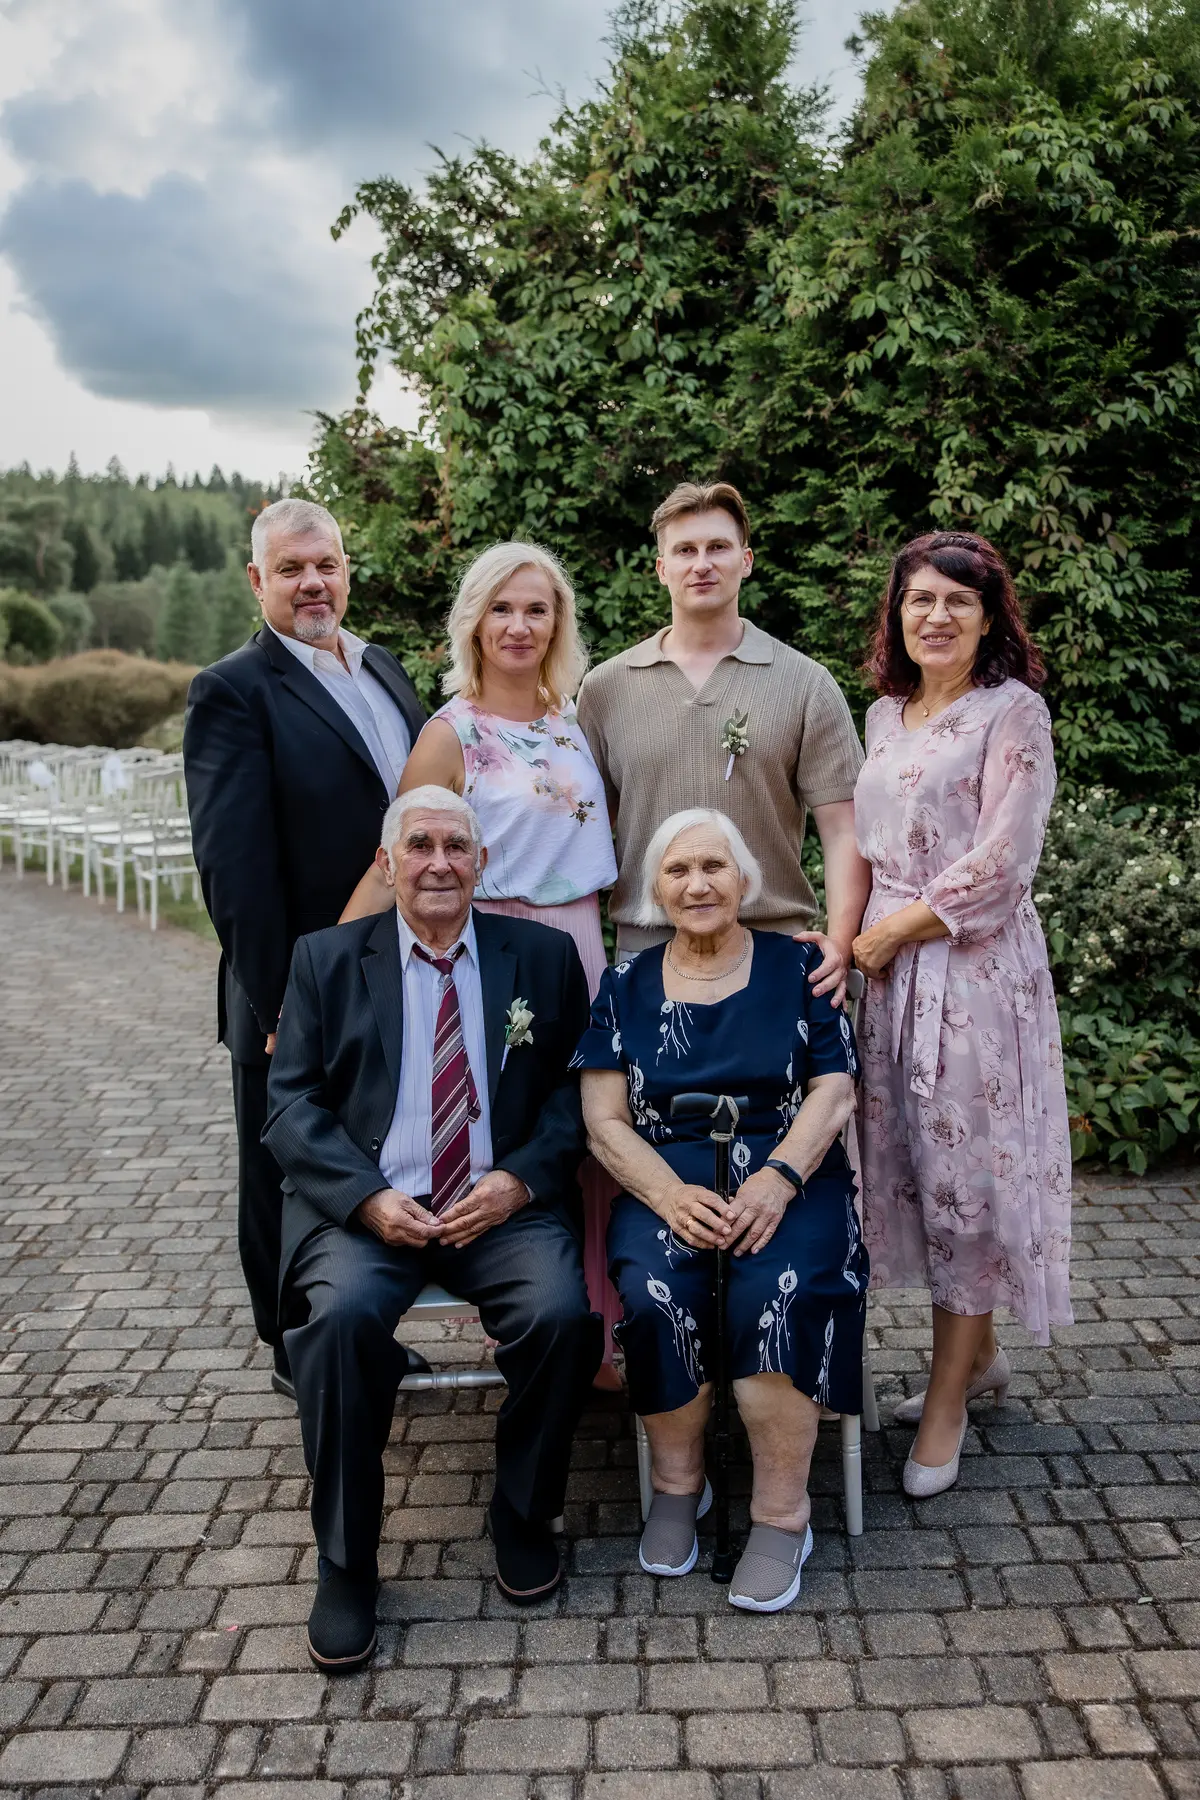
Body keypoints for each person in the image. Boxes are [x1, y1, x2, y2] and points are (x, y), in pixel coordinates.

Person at [265, 787, 602, 1669]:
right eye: (419, 845)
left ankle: (523, 1512)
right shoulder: (325, 959)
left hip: (497, 1206)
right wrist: (366, 1198)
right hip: (371, 1210)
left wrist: (518, 1181)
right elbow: (290, 1105)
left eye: (457, 846)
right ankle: (346, 1561)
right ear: (388, 863)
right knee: (339, 1323)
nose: (440, 863)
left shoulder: (543, 957)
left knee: (561, 1317)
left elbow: (578, 1093)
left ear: (483, 863)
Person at [341, 539, 625, 1386]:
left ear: (558, 622)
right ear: (474, 621)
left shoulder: (573, 718)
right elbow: (392, 861)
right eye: (502, 608)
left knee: (594, 1124)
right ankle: (531, 1316)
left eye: (536, 609)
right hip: (495, 946)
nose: (519, 625)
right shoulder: (451, 732)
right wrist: (324, 975)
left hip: (580, 943)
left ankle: (602, 1328)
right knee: (517, 1125)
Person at [574, 809, 865, 1612]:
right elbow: (603, 1120)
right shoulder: (624, 985)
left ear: (744, 879)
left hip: (790, 1174)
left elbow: (834, 1089)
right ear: (655, 890)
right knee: (656, 1288)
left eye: (714, 866)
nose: (697, 884)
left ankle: (782, 1513)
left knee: (779, 1289)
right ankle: (679, 1486)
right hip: (665, 1182)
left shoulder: (798, 967)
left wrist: (777, 1178)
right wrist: (668, 1196)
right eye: (678, 870)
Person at [184, 499, 426, 1400]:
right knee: (282, 1165)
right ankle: (294, 1347)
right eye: (290, 569)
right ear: (258, 581)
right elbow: (233, 867)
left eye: (325, 564)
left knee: (369, 1156)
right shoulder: (233, 690)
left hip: (397, 970)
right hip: (292, 984)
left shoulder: (383, 666)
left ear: (346, 568)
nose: (312, 583)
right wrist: (280, 1001)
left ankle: (362, 1332)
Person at [852, 529, 1072, 1500]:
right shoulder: (882, 715)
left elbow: (1006, 858)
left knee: (966, 1186)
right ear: (898, 614)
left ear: (989, 618)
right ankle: (977, 1361)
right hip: (887, 974)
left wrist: (894, 932)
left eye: (958, 601)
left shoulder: (1012, 710)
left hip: (971, 975)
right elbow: (863, 841)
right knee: (913, 1168)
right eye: (920, 599)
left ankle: (948, 1403)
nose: (936, 616)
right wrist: (856, 941)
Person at [576, 482, 869, 1007]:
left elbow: (845, 829)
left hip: (775, 952)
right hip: (647, 953)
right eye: (685, 550)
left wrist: (841, 945)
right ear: (661, 568)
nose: (702, 564)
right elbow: (587, 835)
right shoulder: (605, 689)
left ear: (746, 560)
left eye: (718, 547)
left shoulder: (805, 683)